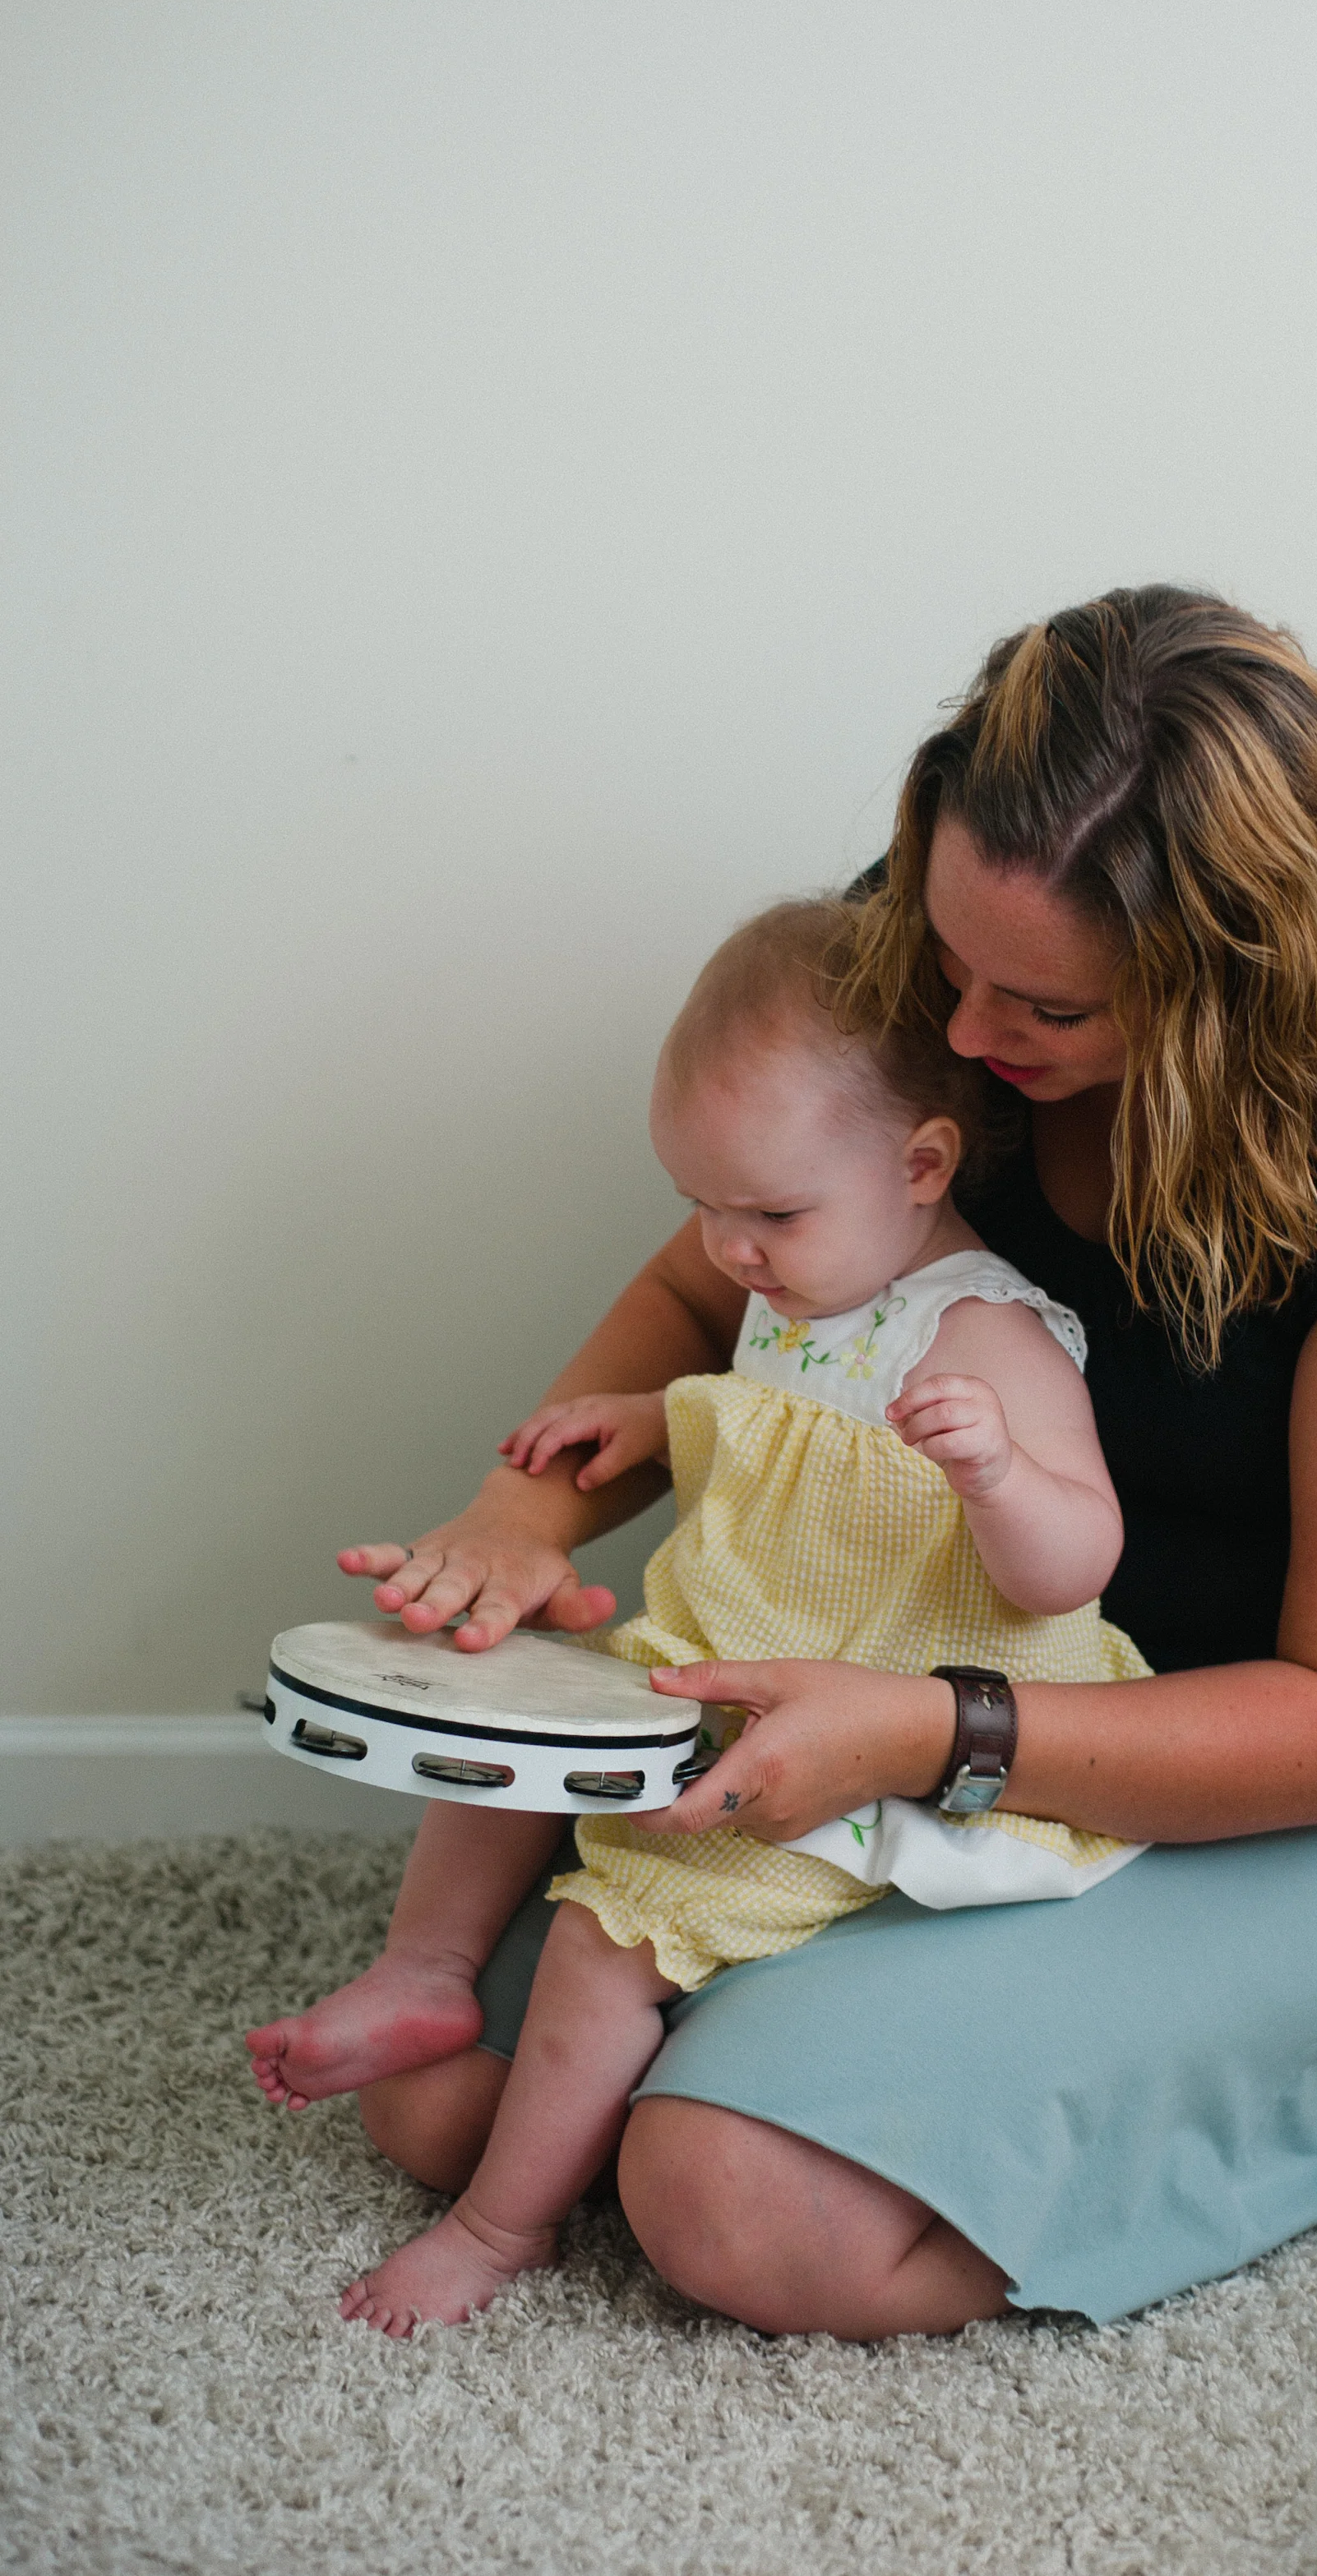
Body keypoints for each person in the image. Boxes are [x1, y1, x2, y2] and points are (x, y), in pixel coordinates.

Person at [323, 586, 1317, 2341]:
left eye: (1043, 1006)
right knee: (442, 2105)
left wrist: (938, 1735)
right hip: (908, 1680)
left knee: (718, 2199)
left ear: (1229, 975)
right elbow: (718, 1278)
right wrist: (519, 1513)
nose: (961, 1019)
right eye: (943, 954)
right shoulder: (944, 958)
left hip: (1293, 1770)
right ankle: (853, 2036)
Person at [247, 898, 1148, 2334]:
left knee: (612, 1940)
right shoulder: (800, 1281)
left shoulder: (985, 1334)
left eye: (767, 1213)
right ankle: (421, 1971)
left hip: (869, 1737)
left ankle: (501, 2229)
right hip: (714, 1669)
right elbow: (774, 1419)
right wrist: (647, 1420)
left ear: (922, 1162)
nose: (728, 1249)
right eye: (703, 1207)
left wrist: (996, 1471)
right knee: (516, 1721)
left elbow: (1074, 1562)